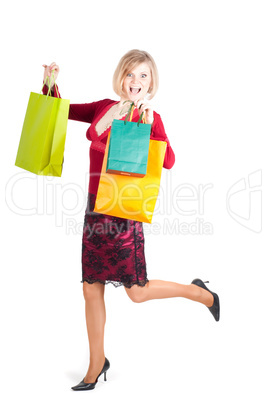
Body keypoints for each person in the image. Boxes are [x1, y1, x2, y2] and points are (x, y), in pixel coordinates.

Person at [42, 49, 220, 391]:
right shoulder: (104, 107)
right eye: (129, 74)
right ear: (120, 77)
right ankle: (96, 363)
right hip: (96, 209)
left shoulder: (151, 117)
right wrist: (51, 86)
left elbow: (168, 161)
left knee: (136, 293)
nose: (135, 81)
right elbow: (64, 114)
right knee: (90, 289)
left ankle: (201, 294)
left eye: (142, 76)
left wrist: (153, 128)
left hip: (123, 213)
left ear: (151, 82)